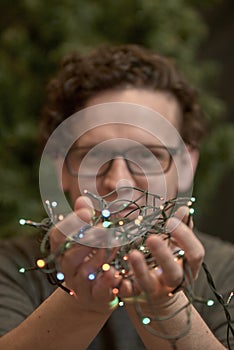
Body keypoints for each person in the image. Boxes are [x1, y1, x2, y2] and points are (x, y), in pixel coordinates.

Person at [0, 44, 233, 350]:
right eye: (92, 157)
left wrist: (163, 308)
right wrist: (81, 302)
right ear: (61, 168)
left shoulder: (226, 270)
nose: (119, 182)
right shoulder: (9, 266)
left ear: (187, 165)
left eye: (148, 156)